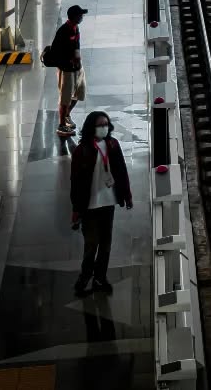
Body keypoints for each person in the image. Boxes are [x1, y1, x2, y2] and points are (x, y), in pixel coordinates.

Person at [70, 111, 133, 296]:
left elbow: (121, 171)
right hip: (89, 205)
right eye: (100, 125)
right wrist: (76, 209)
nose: (104, 128)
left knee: (105, 244)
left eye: (106, 124)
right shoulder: (81, 151)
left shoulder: (113, 145)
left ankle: (100, 277)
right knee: (91, 244)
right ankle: (85, 276)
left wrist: (127, 195)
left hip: (108, 202)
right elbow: (75, 181)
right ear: (91, 127)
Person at [51, 4, 88, 137]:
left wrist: (77, 57)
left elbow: (76, 45)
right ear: (74, 17)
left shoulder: (75, 28)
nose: (82, 17)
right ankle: (62, 125)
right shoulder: (63, 31)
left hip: (77, 67)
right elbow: (55, 51)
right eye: (80, 15)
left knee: (79, 93)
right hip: (66, 69)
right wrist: (68, 60)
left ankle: (67, 114)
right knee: (65, 97)